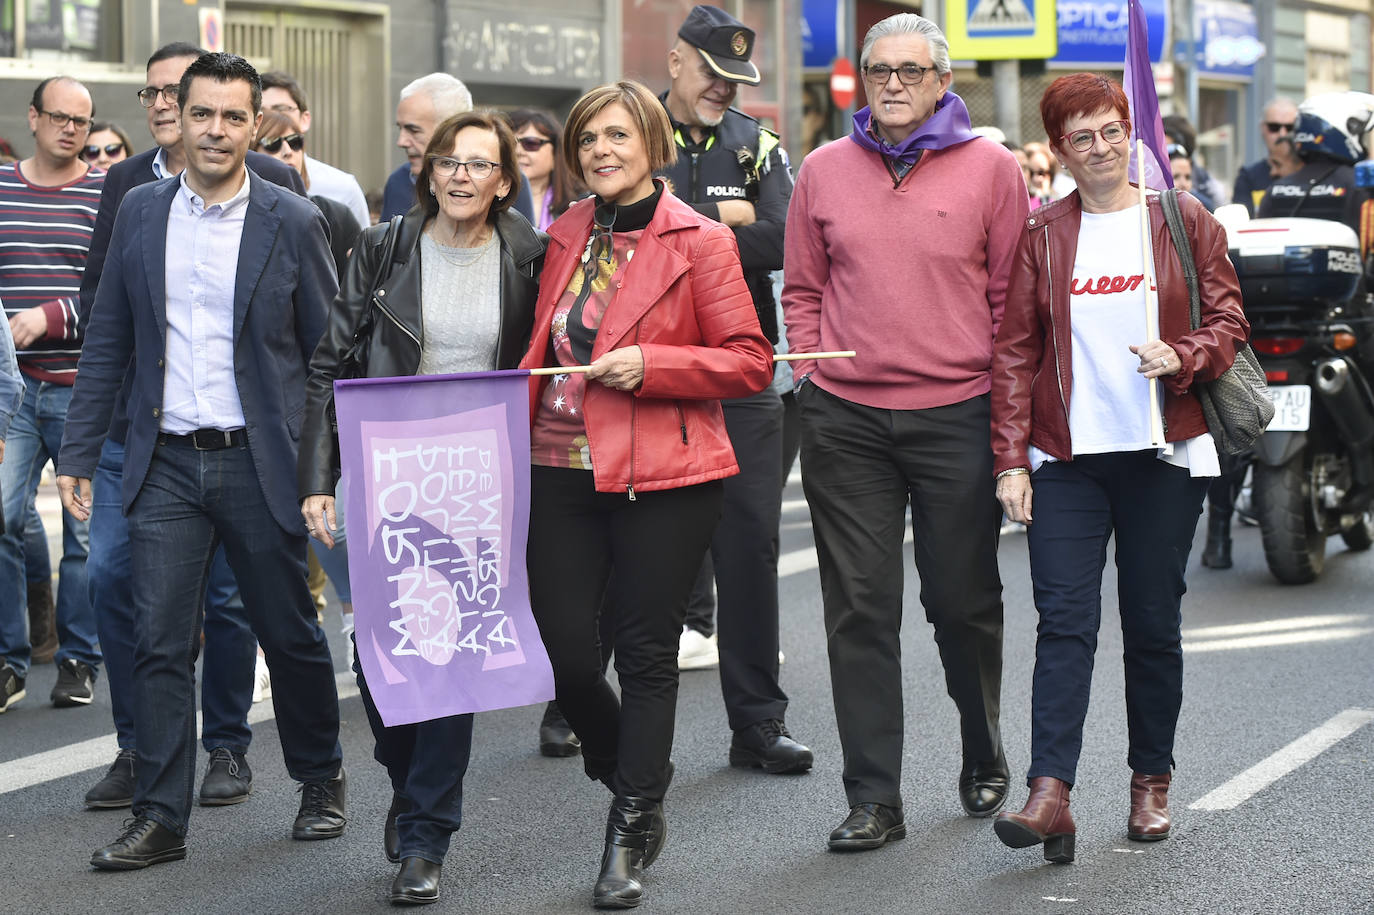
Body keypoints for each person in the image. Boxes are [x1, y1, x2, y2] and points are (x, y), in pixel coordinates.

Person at [56, 52, 347, 870]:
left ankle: (320, 778)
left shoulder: (291, 218)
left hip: (260, 460)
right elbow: (107, 335)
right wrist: (78, 451)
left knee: (287, 632)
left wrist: (319, 466)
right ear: (175, 117)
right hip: (165, 462)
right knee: (156, 640)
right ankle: (160, 817)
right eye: (202, 114)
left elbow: (325, 354)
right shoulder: (143, 211)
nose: (216, 130)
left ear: (256, 124)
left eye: (232, 116)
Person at [518, 80, 772, 908]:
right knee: (563, 649)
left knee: (647, 650)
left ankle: (631, 822)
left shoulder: (699, 240)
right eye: (587, 139)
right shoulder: (560, 234)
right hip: (558, 466)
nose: (600, 151)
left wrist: (655, 367)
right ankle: (630, 761)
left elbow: (749, 360)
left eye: (617, 136)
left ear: (651, 142)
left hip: (665, 473)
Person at [782, 12, 1026, 851]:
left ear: (940, 82)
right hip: (845, 418)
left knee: (960, 601)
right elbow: (802, 289)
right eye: (878, 69)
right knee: (858, 607)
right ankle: (874, 797)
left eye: (910, 71)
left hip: (956, 410)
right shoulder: (821, 170)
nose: (892, 83)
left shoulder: (994, 170)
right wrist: (810, 370)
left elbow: (1011, 307)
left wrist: (1008, 427)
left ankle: (983, 738)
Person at [989, 73, 1249, 863]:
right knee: (1063, 624)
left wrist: (1185, 352)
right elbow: (1014, 351)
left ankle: (1150, 782)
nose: (1098, 148)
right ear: (1059, 149)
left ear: (1130, 132)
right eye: (1080, 137)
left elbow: (1231, 318)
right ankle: (1050, 792)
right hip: (1066, 458)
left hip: (1161, 454)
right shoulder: (1041, 234)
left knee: (1150, 624)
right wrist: (1010, 460)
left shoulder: (1181, 218)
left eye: (1110, 131)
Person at [300, 109, 543, 907]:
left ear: (505, 181)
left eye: (481, 164)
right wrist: (318, 476)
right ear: (429, 172)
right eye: (450, 162)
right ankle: (407, 784)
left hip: (482, 477)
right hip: (385, 471)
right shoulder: (382, 247)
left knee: (455, 654)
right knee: (382, 653)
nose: (463, 175)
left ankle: (427, 833)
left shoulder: (527, 258)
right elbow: (330, 366)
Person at [658, 3, 811, 775]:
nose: (724, 89)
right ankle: (579, 704)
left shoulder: (760, 143)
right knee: (632, 545)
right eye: (713, 72)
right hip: (648, 369)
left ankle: (758, 722)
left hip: (743, 365)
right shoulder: (630, 129)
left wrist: (687, 229)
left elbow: (782, 236)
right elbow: (618, 234)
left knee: (749, 543)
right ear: (677, 59)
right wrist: (728, 221)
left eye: (736, 78)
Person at [0, 76, 104, 714]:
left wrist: (52, 316)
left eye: (82, 122)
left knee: (83, 534)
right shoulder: (3, 188)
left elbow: (115, 297)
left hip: (80, 391)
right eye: (60, 117)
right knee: (3, 520)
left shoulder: (102, 195)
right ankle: (10, 662)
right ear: (33, 118)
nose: (71, 129)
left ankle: (77, 660)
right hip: (10, 393)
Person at [380, 74, 535, 225]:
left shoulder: (505, 180)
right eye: (400, 128)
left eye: (413, 130)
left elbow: (524, 247)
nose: (401, 142)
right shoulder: (397, 182)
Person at [253, 109, 362, 277]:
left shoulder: (337, 216)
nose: (288, 151)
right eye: (272, 143)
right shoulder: (237, 216)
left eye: (295, 141)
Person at [260, 70, 371, 228]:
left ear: (305, 119)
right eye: (261, 111)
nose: (272, 118)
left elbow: (361, 249)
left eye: (281, 109)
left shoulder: (343, 188)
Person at [509, 108, 584, 232]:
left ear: (556, 153)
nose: (518, 152)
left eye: (531, 143)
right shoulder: (489, 204)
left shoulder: (582, 204)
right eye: (511, 144)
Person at [1233, 98, 1301, 216]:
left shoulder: (1315, 175)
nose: (1282, 134)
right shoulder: (1248, 177)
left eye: (1290, 128)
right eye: (1274, 127)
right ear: (1262, 128)